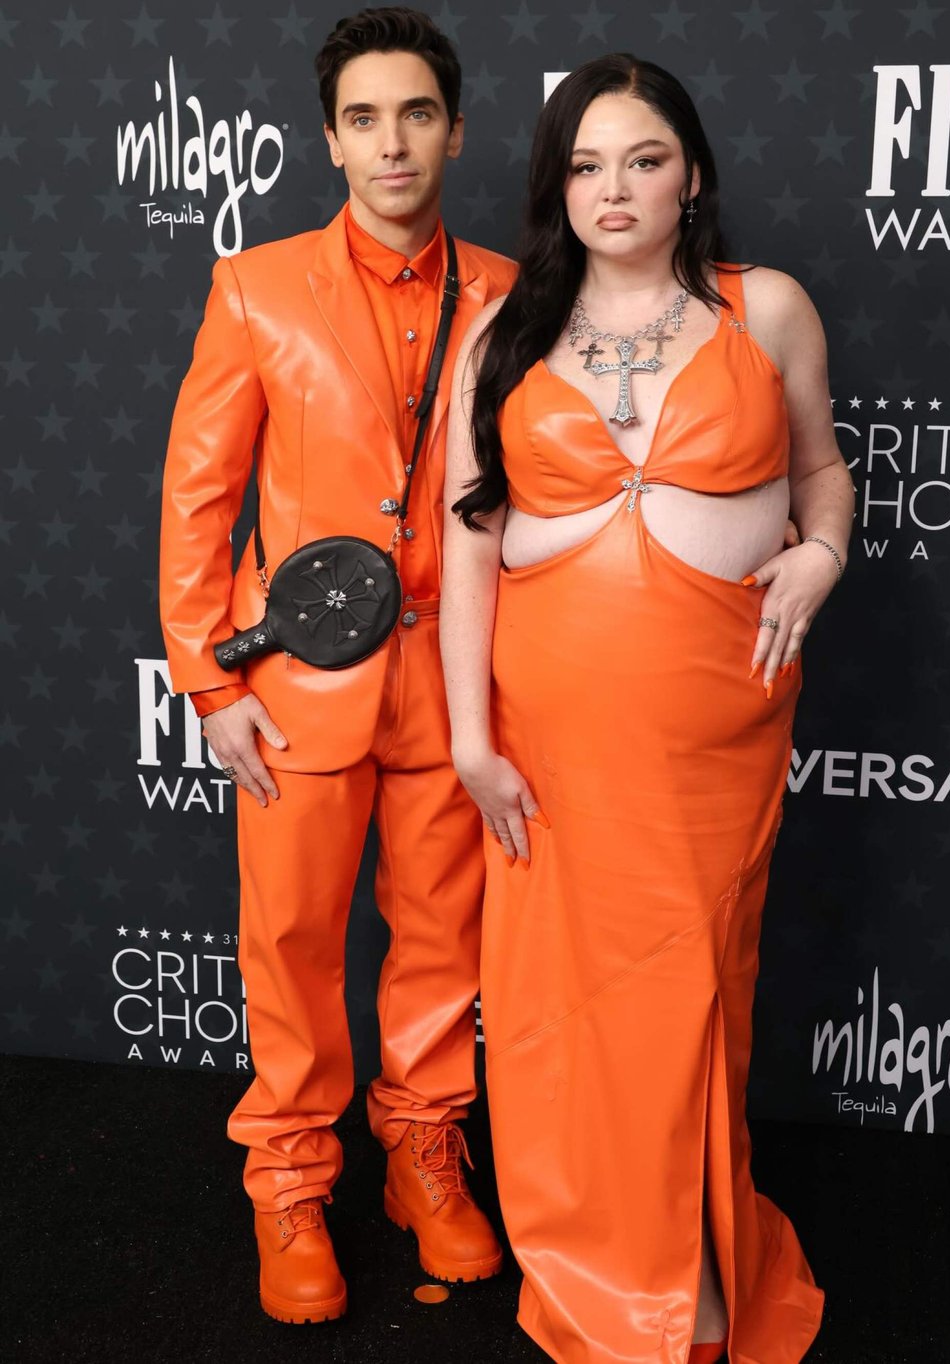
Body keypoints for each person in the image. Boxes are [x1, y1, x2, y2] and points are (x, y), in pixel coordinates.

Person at [441, 53, 852, 1364]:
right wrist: (470, 738)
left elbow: (823, 472)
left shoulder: (766, 309)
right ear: (552, 187)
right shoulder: (502, 336)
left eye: (643, 158)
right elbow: (466, 550)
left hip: (717, 724)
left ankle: (697, 1268)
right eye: (583, 164)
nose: (613, 188)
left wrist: (824, 553)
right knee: (571, 1006)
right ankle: (613, 1271)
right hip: (554, 736)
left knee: (692, 991)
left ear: (692, 175)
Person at [159, 7, 516, 1325]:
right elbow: (199, 499)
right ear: (329, 139)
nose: (392, 141)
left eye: (416, 113)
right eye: (364, 118)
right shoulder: (253, 287)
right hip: (296, 687)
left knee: (441, 940)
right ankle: (293, 1180)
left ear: (456, 130)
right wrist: (209, 682)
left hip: (459, 680)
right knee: (294, 942)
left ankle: (423, 1151)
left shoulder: (512, 289)